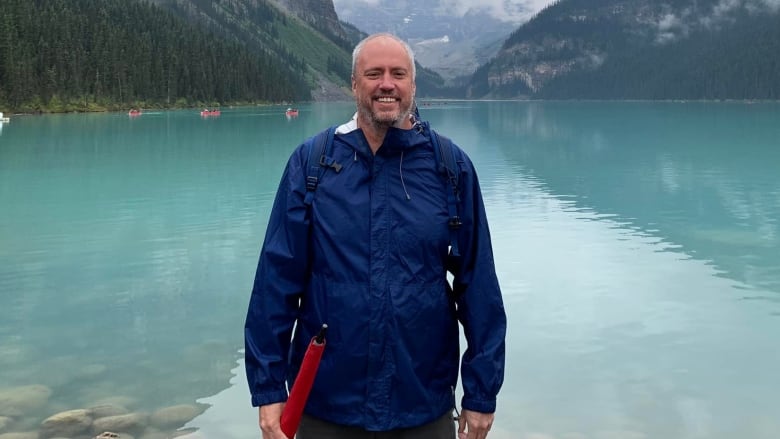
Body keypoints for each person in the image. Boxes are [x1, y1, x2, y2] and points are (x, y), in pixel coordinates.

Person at [244, 33, 506, 439]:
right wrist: (267, 388)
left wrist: (481, 393)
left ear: (413, 85)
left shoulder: (450, 168)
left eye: (398, 74)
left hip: (421, 403)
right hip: (326, 403)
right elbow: (275, 282)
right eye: (374, 74)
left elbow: (479, 285)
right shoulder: (312, 164)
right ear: (354, 84)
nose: (387, 84)